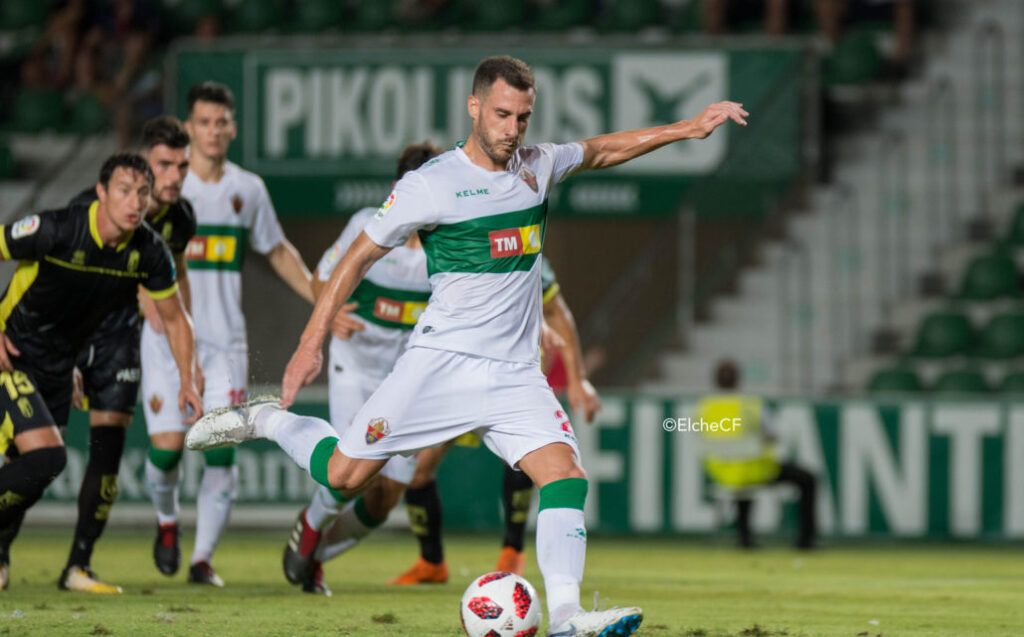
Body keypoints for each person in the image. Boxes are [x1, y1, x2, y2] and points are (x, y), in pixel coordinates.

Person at [188, 55, 745, 637]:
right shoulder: (431, 184)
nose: (513, 129)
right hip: (439, 367)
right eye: (502, 114)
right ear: (475, 107)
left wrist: (687, 128)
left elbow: (603, 149)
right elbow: (357, 256)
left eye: (524, 118)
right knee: (345, 477)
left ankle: (568, 619)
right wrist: (310, 344)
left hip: (513, 375)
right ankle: (266, 419)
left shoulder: (539, 165)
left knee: (565, 477)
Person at [0, 152, 202, 591]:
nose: (135, 202)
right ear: (101, 192)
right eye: (125, 191)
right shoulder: (58, 227)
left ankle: (45, 562)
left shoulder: (149, 250)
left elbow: (175, 316)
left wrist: (187, 378)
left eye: (142, 194)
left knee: (34, 469)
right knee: (46, 458)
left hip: (58, 365)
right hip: (12, 355)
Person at [147, 81, 313, 588]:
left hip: (227, 346)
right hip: (165, 341)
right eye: (204, 122)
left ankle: (202, 560)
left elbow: (278, 250)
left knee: (221, 446)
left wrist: (321, 298)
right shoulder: (167, 189)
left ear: (232, 128)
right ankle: (168, 521)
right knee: (168, 450)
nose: (214, 131)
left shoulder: (247, 189)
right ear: (189, 127)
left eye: (222, 122)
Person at [282, 141, 441, 595]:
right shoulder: (369, 224)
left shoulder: (448, 244)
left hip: (406, 380)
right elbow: (321, 277)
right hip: (355, 367)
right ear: (400, 188)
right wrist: (329, 314)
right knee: (350, 473)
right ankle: (312, 526)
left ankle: (314, 554)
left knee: (386, 495)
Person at [393, 257, 602, 585]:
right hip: (454, 374)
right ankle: (431, 562)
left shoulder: (519, 245)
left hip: (507, 373)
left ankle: (512, 550)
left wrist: (579, 379)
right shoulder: (438, 251)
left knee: (523, 455)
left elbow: (557, 311)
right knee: (418, 469)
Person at [62, 115, 197, 594]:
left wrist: (189, 365)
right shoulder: (89, 210)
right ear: (143, 164)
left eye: (183, 165)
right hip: (66, 331)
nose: (176, 176)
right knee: (30, 450)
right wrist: (66, 353)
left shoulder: (180, 219)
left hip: (121, 338)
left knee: (107, 452)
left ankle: (78, 564)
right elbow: (55, 281)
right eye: (165, 164)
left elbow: (177, 289)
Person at [697, 359, 817, 550]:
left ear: (715, 381)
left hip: (722, 472)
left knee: (741, 481)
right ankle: (806, 540)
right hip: (756, 471)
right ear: (738, 380)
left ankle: (744, 538)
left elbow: (702, 438)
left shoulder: (704, 408)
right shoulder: (750, 405)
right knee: (808, 479)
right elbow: (773, 435)